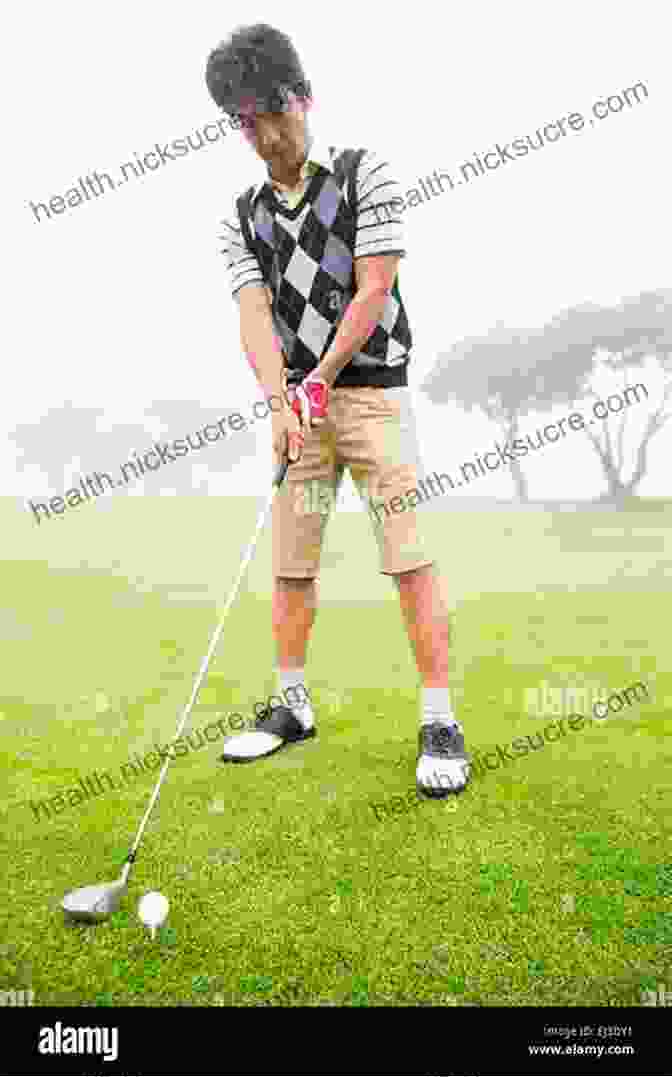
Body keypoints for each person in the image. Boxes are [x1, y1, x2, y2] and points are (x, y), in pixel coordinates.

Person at [205, 23, 470, 797]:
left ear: (302, 98)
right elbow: (254, 315)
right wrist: (279, 400)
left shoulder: (362, 174)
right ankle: (292, 708)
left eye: (268, 113)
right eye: (243, 122)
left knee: (407, 554)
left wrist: (318, 377)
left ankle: (439, 718)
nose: (261, 136)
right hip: (301, 411)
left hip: (373, 395)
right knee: (292, 562)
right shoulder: (242, 213)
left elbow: (374, 287)